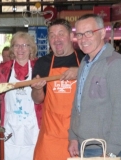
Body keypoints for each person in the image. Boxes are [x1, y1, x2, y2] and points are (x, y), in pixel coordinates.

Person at [68, 14, 121, 158]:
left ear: (102, 33)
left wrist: (111, 151)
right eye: (79, 34)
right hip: (82, 145)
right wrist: (73, 136)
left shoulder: (116, 63)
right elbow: (77, 104)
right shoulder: (84, 63)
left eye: (88, 33)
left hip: (103, 148)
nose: (83, 39)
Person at [31, 19, 85, 160]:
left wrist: (80, 71)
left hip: (79, 135)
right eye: (52, 35)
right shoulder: (43, 63)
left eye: (61, 34)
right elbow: (38, 99)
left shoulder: (85, 60)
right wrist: (38, 88)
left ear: (71, 36)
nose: (56, 39)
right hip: (50, 136)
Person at [0, 32, 41, 160]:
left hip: (34, 126)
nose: (20, 49)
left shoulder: (39, 66)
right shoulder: (4, 68)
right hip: (10, 127)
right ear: (12, 49)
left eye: (25, 45)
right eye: (17, 45)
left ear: (31, 48)